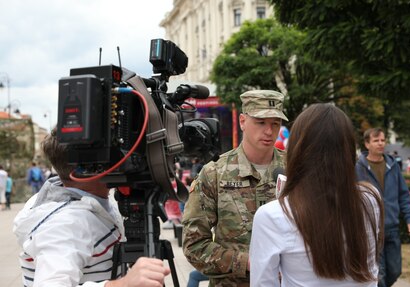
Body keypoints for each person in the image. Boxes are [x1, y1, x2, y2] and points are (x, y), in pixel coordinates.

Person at [13, 128, 170, 286]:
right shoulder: (65, 225)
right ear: (82, 170)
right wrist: (124, 284)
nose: (117, 158)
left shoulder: (84, 198)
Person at [250, 103, 384, 287]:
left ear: (297, 149)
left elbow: (263, 284)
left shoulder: (273, 215)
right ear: (348, 149)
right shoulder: (370, 199)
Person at [182, 90, 288, 286]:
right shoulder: (215, 173)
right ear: (242, 122)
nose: (269, 131)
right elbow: (194, 246)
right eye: (261, 122)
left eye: (275, 123)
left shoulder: (296, 169)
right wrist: (247, 263)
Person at [356, 127, 410, 287]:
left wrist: (409, 218)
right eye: (376, 140)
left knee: (395, 271)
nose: (381, 143)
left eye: (383, 140)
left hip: (392, 229)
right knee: (379, 275)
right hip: (370, 229)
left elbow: (403, 194)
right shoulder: (358, 168)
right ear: (367, 144)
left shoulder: (393, 166)